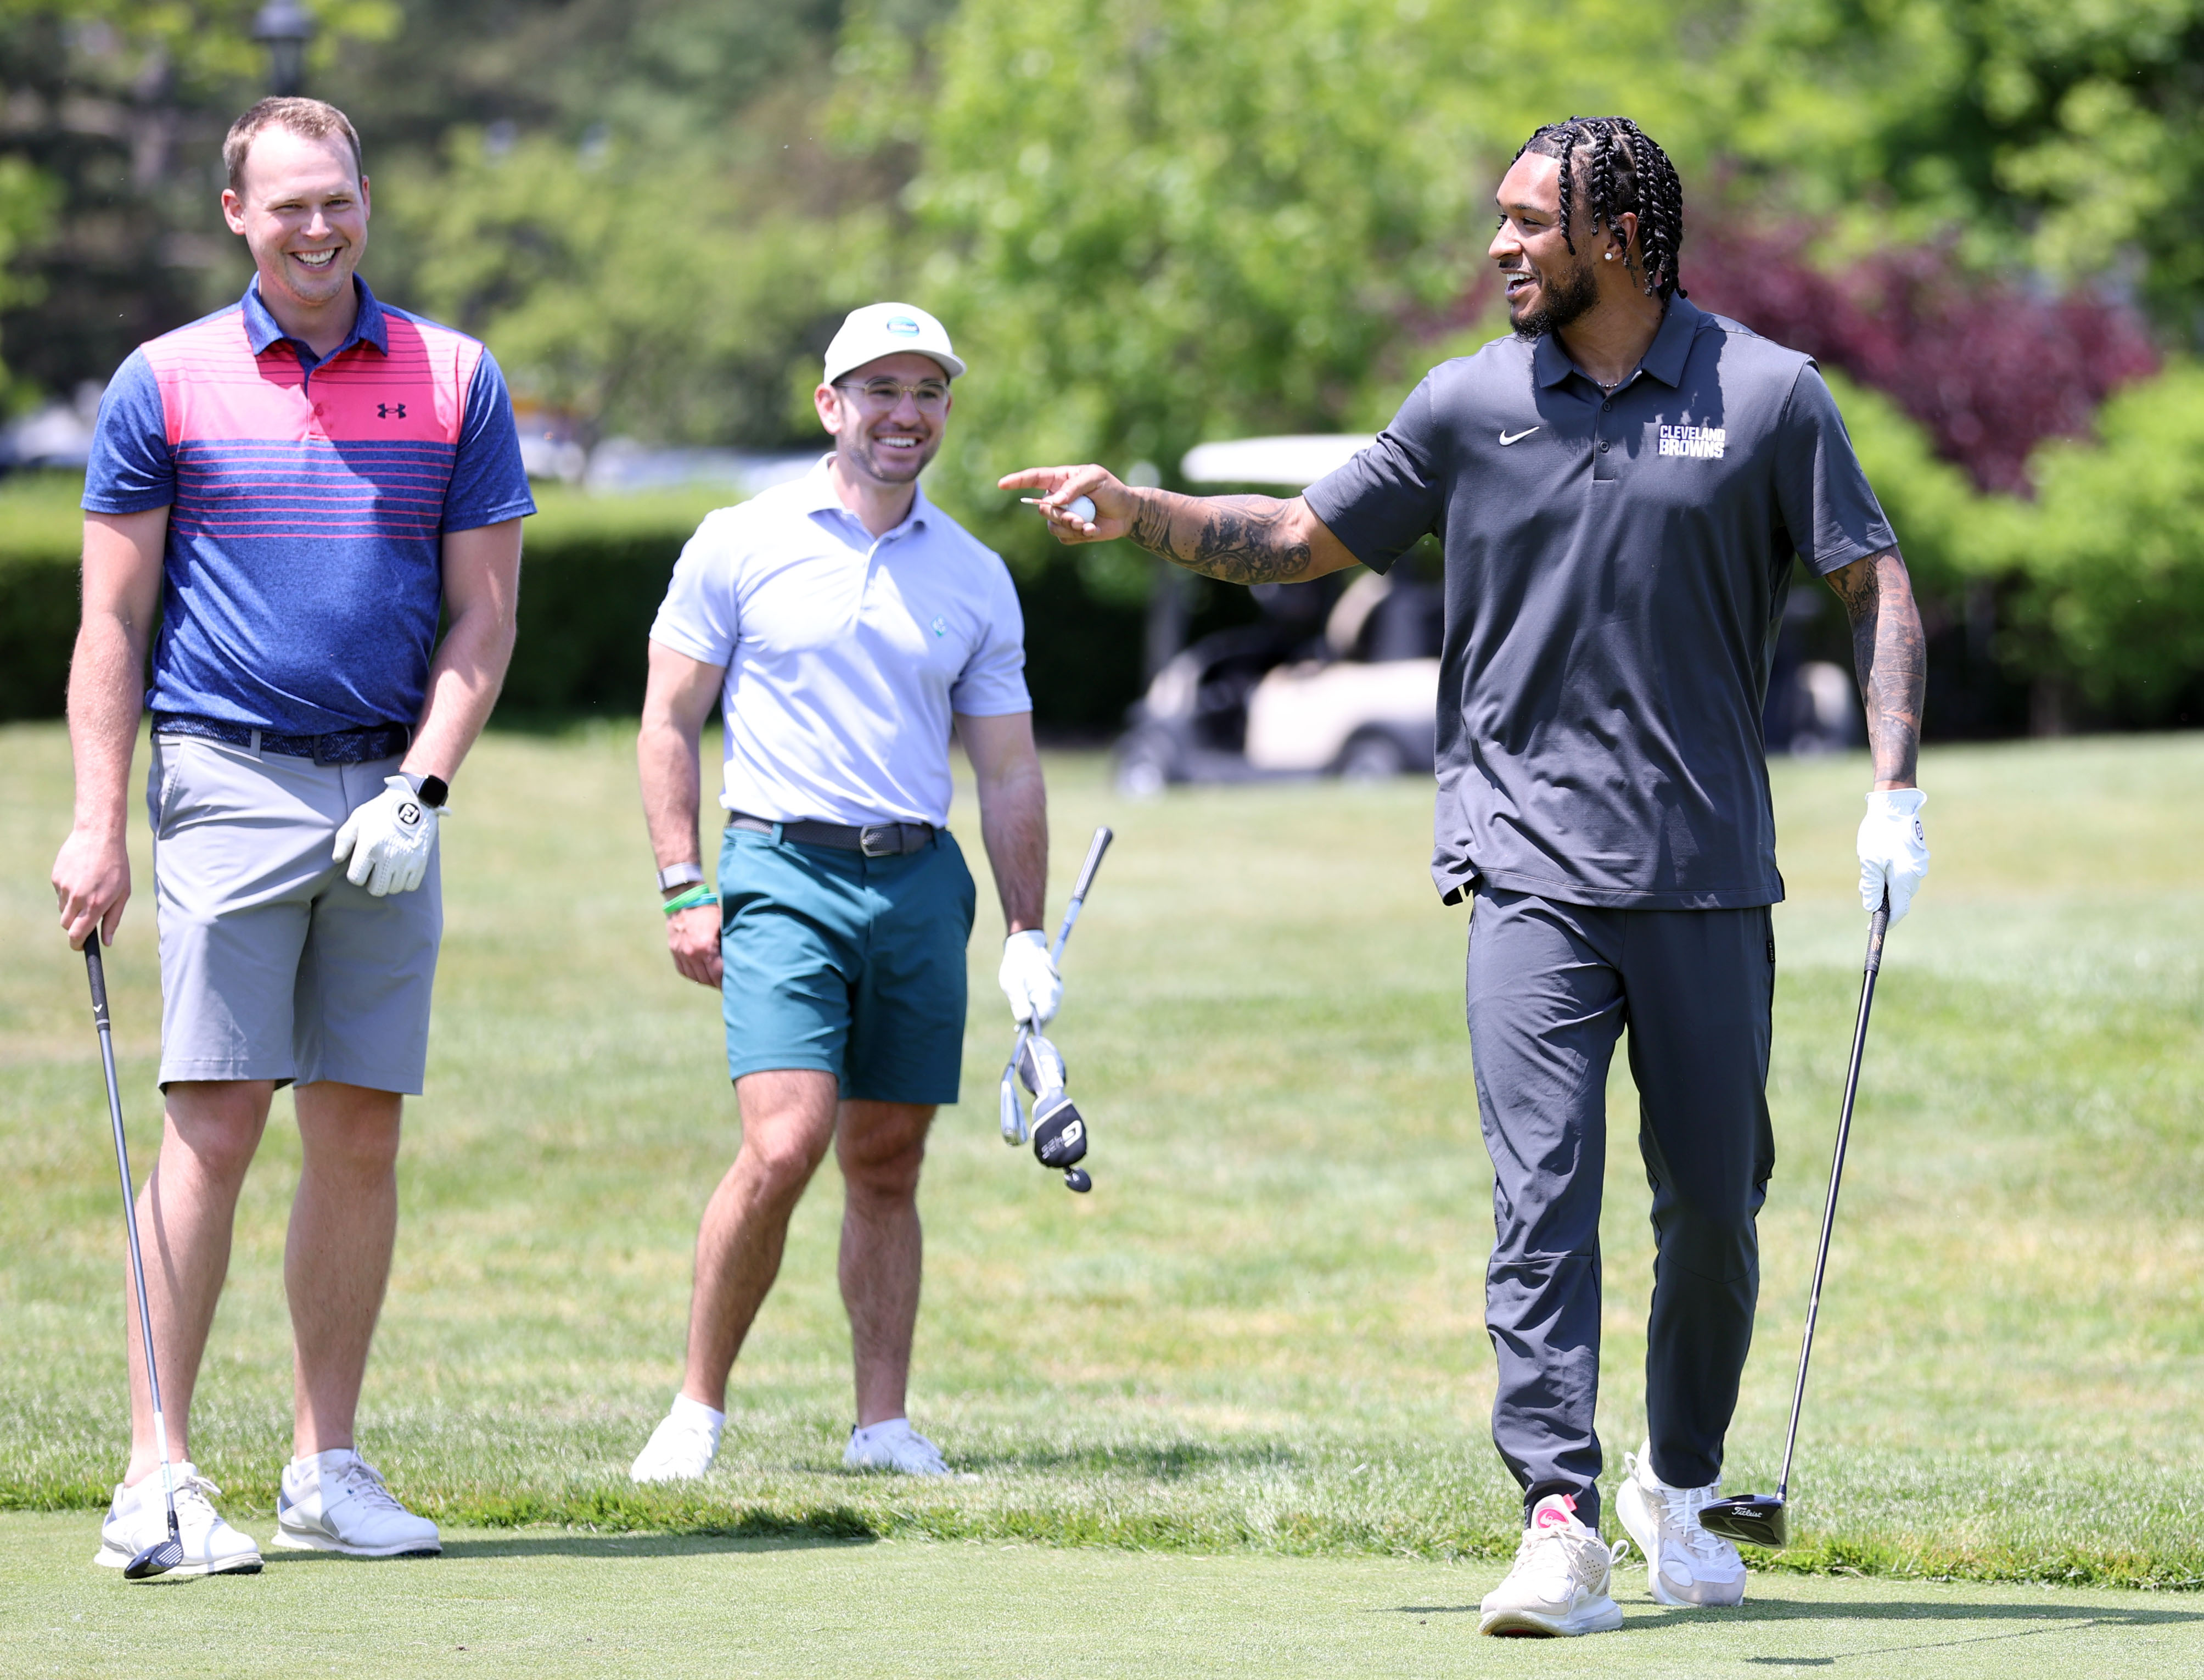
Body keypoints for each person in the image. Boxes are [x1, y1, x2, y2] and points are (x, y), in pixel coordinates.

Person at [1003, 116, 1930, 1637]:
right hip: (1524, 868)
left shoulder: (1767, 396)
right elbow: (1301, 539)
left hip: (1706, 874)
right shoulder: (1466, 402)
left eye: (1527, 222)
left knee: (1717, 1201)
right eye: (1498, 221)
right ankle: (1557, 1515)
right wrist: (1144, 512)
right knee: (1541, 1199)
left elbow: (1869, 573)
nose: (1500, 246)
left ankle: (1679, 1486)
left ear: (1617, 235)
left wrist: (1894, 787)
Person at [50, 96, 534, 1573]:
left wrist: (425, 785)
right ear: (236, 216)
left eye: (337, 201)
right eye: (287, 207)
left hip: (388, 787)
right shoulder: (166, 380)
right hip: (226, 777)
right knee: (214, 1119)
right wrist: (95, 822)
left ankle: (326, 1464)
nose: (317, 229)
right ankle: (157, 1472)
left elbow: (485, 615)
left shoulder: (455, 375)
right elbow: (111, 621)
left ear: (365, 200)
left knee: (363, 1124)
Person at [627, 303, 1053, 1482]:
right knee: (785, 1141)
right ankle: (696, 1409)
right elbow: (669, 720)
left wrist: (1025, 930)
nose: (904, 414)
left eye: (926, 391)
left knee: (887, 1160)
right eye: (880, 390)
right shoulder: (740, 538)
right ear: (831, 406)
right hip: (779, 867)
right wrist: (681, 884)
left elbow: (1008, 765)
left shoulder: (973, 574)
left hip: (918, 880)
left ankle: (880, 1426)